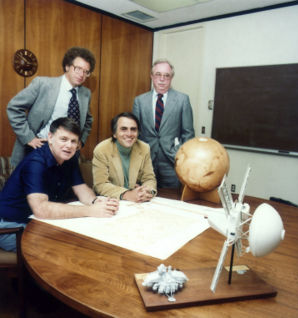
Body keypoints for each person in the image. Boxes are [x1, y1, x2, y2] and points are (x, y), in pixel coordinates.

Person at [0, 117, 119, 252]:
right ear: (50, 138)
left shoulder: (69, 157)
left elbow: (81, 188)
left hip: (37, 223)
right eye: (63, 139)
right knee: (66, 248)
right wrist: (90, 211)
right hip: (11, 227)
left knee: (90, 238)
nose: (68, 145)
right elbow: (41, 209)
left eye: (73, 141)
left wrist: (96, 202)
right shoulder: (35, 162)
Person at [7, 46, 96, 167]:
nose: (82, 74)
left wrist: (82, 140)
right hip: (39, 148)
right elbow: (14, 107)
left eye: (86, 71)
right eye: (78, 68)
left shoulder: (86, 94)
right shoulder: (43, 84)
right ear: (67, 67)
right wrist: (29, 138)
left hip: (67, 154)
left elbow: (88, 120)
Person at [133, 58, 195, 188]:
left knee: (171, 199)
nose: (162, 79)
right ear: (151, 76)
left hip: (171, 162)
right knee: (146, 198)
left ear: (171, 77)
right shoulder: (139, 101)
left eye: (166, 75)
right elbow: (134, 133)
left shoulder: (182, 100)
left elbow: (188, 133)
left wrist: (178, 154)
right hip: (146, 161)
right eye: (158, 75)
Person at [93, 112, 157, 202]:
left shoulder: (144, 148)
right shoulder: (102, 149)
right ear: (114, 134)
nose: (129, 134)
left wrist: (147, 191)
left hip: (138, 200)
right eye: (124, 129)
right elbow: (100, 184)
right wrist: (127, 194)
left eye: (133, 129)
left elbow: (149, 178)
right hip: (111, 200)